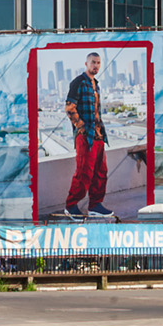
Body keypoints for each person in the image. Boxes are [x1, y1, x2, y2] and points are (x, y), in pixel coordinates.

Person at [63, 52, 108, 218]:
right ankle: (71, 205)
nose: (96, 65)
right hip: (85, 136)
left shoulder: (95, 84)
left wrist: (100, 133)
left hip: (98, 135)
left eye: (98, 63)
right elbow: (69, 108)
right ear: (86, 64)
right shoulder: (78, 82)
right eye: (93, 62)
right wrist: (81, 127)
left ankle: (95, 205)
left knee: (100, 172)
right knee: (84, 173)